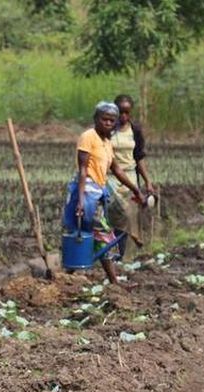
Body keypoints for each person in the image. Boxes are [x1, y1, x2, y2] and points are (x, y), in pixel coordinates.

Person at [63, 101, 146, 286]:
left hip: (98, 193)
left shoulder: (107, 142)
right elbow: (83, 169)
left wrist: (136, 190)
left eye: (111, 120)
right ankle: (113, 281)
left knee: (88, 233)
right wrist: (80, 200)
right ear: (96, 119)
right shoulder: (88, 137)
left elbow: (116, 169)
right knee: (102, 233)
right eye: (104, 119)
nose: (108, 123)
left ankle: (68, 273)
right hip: (86, 192)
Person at [108, 94, 156, 254]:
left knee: (129, 215)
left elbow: (139, 157)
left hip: (130, 178)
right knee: (116, 215)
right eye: (120, 112)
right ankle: (111, 253)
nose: (123, 116)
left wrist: (147, 181)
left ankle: (119, 255)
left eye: (127, 113)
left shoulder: (135, 131)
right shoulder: (108, 130)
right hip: (111, 178)